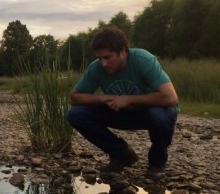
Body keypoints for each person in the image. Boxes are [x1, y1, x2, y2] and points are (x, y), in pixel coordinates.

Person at [66, 27, 179, 180]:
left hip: (150, 113)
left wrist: (128, 99)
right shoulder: (96, 68)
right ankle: (122, 154)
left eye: (108, 57)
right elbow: (74, 98)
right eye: (99, 58)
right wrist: (102, 98)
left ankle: (157, 163)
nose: (103, 63)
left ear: (123, 50)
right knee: (76, 114)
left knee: (159, 116)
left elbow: (171, 98)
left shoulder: (143, 60)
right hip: (120, 113)